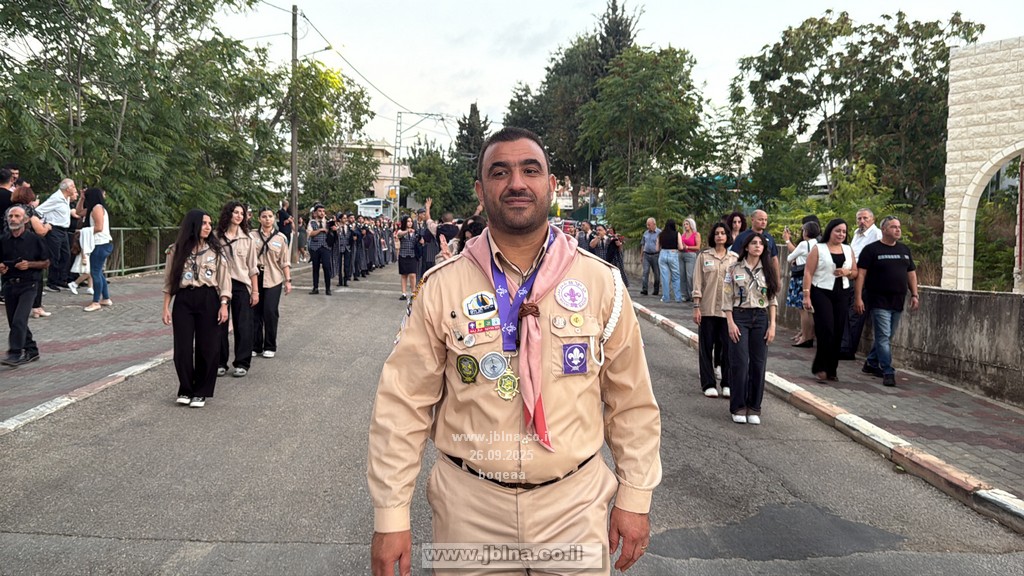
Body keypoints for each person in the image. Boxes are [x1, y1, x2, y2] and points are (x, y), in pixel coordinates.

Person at [368, 127, 661, 576]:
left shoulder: (602, 283)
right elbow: (403, 404)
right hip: (469, 510)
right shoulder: (441, 286)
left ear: (551, 184)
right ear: (480, 190)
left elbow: (631, 401)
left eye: (530, 170)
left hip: (574, 507)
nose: (517, 183)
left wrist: (635, 497)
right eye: (500, 172)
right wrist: (390, 516)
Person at [161, 210, 231, 407]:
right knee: (182, 348)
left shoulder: (216, 251)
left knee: (207, 347)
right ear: (193, 225)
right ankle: (186, 388)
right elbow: (169, 280)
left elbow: (224, 280)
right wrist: (165, 307)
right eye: (204, 223)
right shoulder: (175, 251)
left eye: (210, 223)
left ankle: (201, 391)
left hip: (208, 298)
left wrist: (224, 304)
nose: (208, 227)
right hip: (184, 299)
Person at [855, 216, 919, 387]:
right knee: (883, 336)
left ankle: (871, 362)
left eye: (899, 227)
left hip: (898, 300)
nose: (898, 230)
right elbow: (861, 275)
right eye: (893, 227)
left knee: (887, 336)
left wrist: (915, 294)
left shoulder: (904, 249)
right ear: (884, 229)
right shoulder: (871, 250)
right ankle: (888, 371)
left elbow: (911, 273)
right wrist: (858, 297)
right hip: (878, 300)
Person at [723, 232, 779, 424]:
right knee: (739, 362)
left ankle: (754, 407)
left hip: (761, 317)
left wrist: (772, 325)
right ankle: (738, 406)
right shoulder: (733, 268)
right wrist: (730, 322)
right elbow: (726, 297)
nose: (757, 246)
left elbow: (772, 300)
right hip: (740, 316)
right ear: (746, 247)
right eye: (753, 243)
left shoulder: (768, 270)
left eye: (761, 244)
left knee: (758, 363)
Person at [802, 219, 857, 383]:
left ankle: (832, 369)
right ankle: (820, 367)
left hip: (842, 292)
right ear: (830, 231)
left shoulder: (848, 249)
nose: (841, 234)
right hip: (821, 291)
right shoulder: (818, 248)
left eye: (844, 232)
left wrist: (847, 272)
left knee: (838, 330)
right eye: (837, 231)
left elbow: (855, 272)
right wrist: (806, 295)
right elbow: (808, 272)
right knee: (826, 329)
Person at [215, 201, 259, 378]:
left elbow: (253, 267)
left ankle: (242, 363)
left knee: (243, 325)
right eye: (236, 212)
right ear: (228, 214)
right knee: (220, 324)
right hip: (219, 285)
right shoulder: (216, 237)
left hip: (241, 284)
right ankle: (220, 362)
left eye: (242, 213)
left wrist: (255, 291)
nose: (239, 216)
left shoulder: (248, 239)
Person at [0, 205, 49, 366]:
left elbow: (46, 262)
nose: (13, 219)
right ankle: (31, 349)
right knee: (14, 321)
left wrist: (30, 264)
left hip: (29, 284)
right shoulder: (3, 239)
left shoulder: (35, 239)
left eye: (17, 216)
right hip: (9, 284)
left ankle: (15, 354)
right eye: (11, 216)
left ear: (25, 219)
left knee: (19, 320)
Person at [692, 221, 736, 398]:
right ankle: (708, 383)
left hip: (727, 311)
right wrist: (696, 307)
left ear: (727, 236)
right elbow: (697, 283)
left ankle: (727, 383)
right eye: (717, 233)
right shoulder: (704, 257)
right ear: (713, 236)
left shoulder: (734, 259)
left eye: (723, 233)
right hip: (707, 309)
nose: (720, 236)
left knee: (728, 348)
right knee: (706, 347)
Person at [840, 208, 882, 360]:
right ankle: (843, 346)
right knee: (845, 312)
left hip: (864, 278)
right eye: (859, 218)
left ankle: (848, 350)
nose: (862, 221)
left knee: (855, 313)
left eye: (865, 218)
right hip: (850, 275)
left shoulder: (876, 234)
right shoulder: (857, 234)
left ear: (872, 219)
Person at [251, 207, 292, 358]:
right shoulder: (252, 236)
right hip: (255, 277)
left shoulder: (280, 238)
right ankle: (255, 345)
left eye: (270, 216)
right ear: (259, 219)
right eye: (264, 216)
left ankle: (270, 345)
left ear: (274, 219)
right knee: (255, 313)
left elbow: (284, 261)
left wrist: (288, 281)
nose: (267, 219)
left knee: (270, 311)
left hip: (273, 278)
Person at [10, 186, 53, 318]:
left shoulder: (10, 209)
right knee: (35, 276)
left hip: (11, 244)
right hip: (29, 245)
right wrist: (47, 227)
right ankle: (36, 307)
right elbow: (40, 230)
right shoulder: (28, 211)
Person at [34, 178, 78, 293]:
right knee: (55, 256)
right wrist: (44, 223)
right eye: (73, 186)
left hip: (64, 230)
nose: (75, 188)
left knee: (66, 255)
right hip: (55, 229)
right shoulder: (56, 198)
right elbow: (39, 210)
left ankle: (61, 279)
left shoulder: (66, 199)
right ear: (67, 188)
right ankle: (51, 282)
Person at [782, 220, 820, 348]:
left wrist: (787, 240)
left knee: (802, 309)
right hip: (814, 278)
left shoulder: (804, 244)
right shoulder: (818, 243)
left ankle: (805, 337)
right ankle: (809, 336)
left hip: (801, 278)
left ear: (806, 232)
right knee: (810, 310)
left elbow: (789, 258)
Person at [81, 188, 114, 311]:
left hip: (101, 243)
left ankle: (96, 301)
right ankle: (105, 298)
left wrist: (83, 232)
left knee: (95, 273)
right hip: (101, 244)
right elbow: (79, 212)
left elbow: (99, 227)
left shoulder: (97, 208)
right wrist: (81, 199)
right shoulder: (94, 208)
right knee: (99, 272)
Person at [731, 209, 779, 275]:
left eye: (765, 220)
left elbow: (774, 259)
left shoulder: (769, 238)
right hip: (744, 272)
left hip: (765, 273)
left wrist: (777, 279)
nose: (764, 222)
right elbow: (733, 256)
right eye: (760, 219)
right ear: (752, 220)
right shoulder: (742, 237)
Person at [306, 204, 334, 295]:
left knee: (326, 267)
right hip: (315, 247)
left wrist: (334, 230)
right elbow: (310, 233)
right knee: (315, 267)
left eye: (323, 211)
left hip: (326, 247)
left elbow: (333, 234)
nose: (322, 213)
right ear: (315, 213)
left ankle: (328, 288)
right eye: (319, 211)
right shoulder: (312, 222)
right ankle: (315, 288)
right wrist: (320, 230)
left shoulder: (329, 222)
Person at [657, 218, 683, 303]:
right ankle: (678, 298)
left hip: (663, 254)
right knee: (676, 277)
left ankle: (666, 297)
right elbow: (681, 247)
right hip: (673, 253)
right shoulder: (677, 234)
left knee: (665, 277)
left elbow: (656, 248)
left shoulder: (661, 234)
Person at [395, 215, 418, 300]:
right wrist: (407, 231)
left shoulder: (415, 232)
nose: (410, 223)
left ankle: (413, 292)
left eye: (411, 221)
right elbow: (399, 235)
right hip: (403, 255)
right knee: (404, 275)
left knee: (413, 274)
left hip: (413, 255)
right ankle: (404, 293)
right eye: (408, 221)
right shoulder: (401, 231)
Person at [679, 218, 701, 302]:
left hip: (690, 255)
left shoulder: (696, 234)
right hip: (681, 255)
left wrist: (688, 247)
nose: (685, 226)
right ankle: (684, 295)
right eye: (684, 224)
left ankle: (692, 294)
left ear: (691, 225)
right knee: (682, 275)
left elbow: (698, 247)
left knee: (690, 276)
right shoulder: (683, 235)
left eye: (687, 224)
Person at [639, 217, 660, 296]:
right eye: (647, 225)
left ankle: (656, 290)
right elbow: (643, 244)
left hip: (656, 255)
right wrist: (641, 256)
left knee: (657, 273)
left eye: (649, 225)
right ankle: (644, 289)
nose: (647, 226)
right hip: (646, 255)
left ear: (654, 224)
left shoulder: (659, 233)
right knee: (645, 272)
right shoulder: (646, 233)